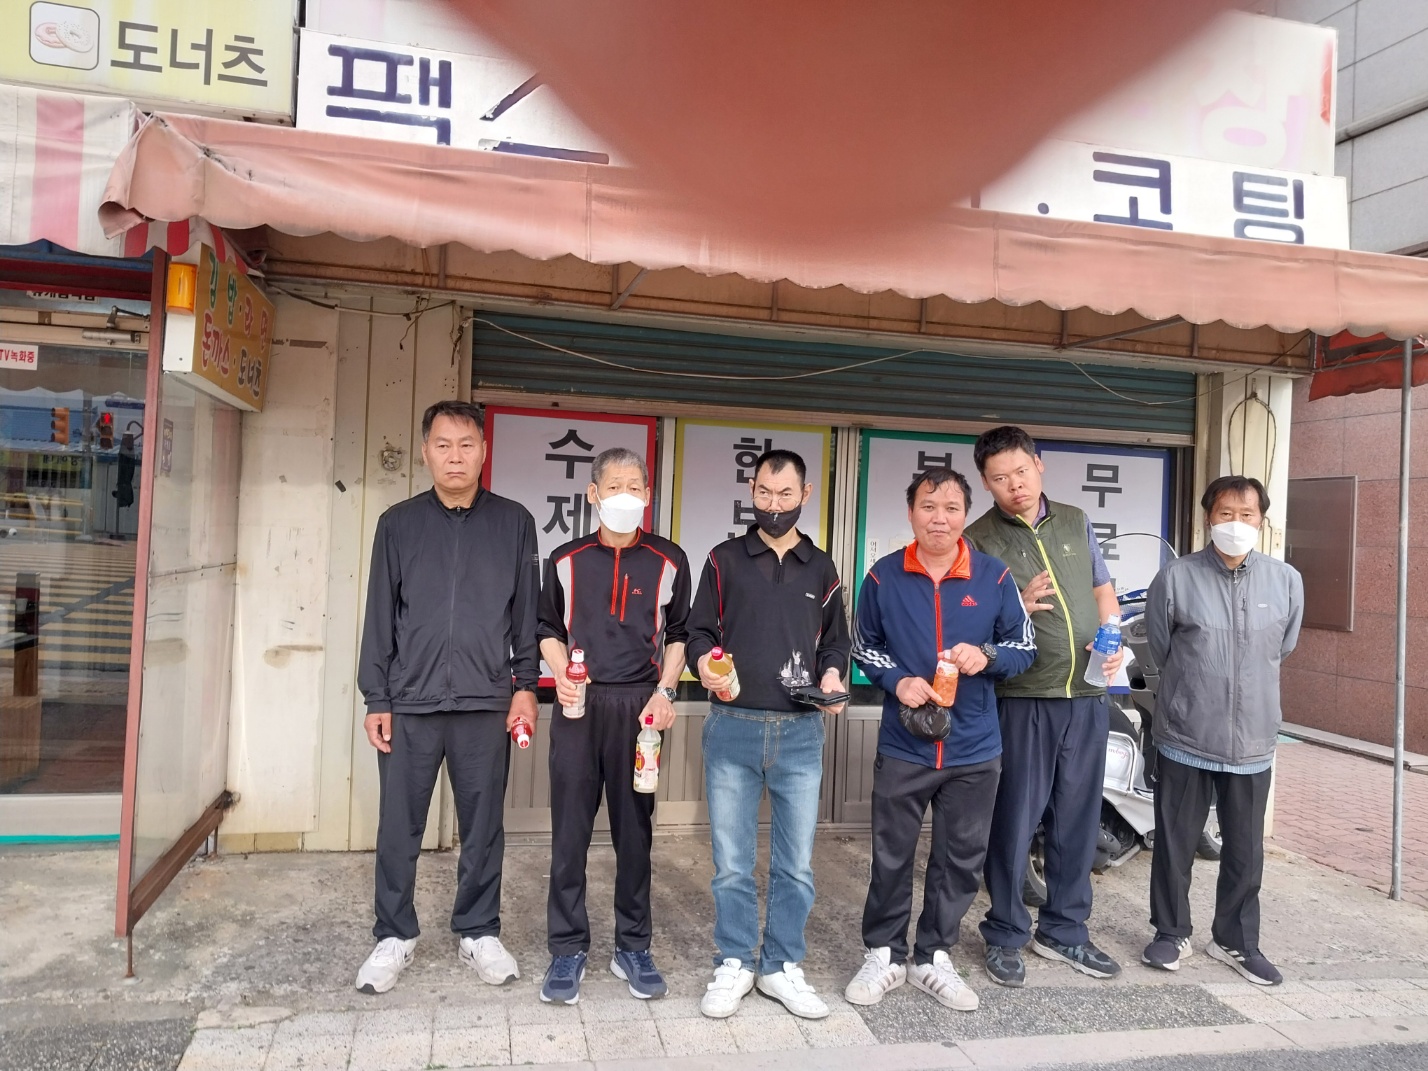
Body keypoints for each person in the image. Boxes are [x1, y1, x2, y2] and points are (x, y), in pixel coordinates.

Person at [354, 400, 540, 995]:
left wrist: (526, 688)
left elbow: (527, 616)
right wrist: (376, 697)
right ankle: (394, 934)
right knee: (398, 825)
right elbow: (379, 617)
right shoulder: (398, 524)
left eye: (465, 444)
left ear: (484, 451)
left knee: (483, 826)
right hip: (410, 700)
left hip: (486, 700)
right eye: (443, 444)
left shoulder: (514, 523)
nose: (454, 456)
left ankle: (479, 930)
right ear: (425, 452)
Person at [846, 467, 1036, 1012]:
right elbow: (864, 646)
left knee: (960, 858)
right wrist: (896, 680)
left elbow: (1024, 647)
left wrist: (987, 656)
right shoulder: (883, 577)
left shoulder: (994, 577)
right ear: (911, 513)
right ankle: (884, 953)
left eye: (952, 508)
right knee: (891, 856)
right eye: (928, 507)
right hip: (904, 744)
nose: (939, 518)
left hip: (974, 748)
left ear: (965, 516)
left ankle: (932, 955)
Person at [685, 449, 850, 1021]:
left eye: (784, 495)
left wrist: (833, 674)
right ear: (751, 491)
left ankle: (780, 965)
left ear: (805, 496)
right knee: (732, 862)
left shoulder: (820, 566)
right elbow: (698, 631)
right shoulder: (724, 559)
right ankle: (734, 960)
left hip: (801, 732)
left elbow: (835, 642)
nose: (773, 505)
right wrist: (704, 663)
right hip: (732, 728)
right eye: (763, 493)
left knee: (795, 865)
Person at [964, 426, 1127, 987]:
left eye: (1021, 472)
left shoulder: (1077, 521)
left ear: (1039, 465)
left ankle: (1065, 930)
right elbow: (968, 623)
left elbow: (1102, 589)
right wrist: (1015, 605)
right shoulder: (978, 539)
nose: (1015, 485)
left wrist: (1111, 634)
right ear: (986, 483)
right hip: (1022, 699)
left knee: (1078, 820)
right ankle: (1006, 931)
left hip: (1086, 695)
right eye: (1000, 478)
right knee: (1015, 821)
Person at [536, 447, 692, 1004]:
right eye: (613, 486)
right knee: (569, 832)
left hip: (639, 709)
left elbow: (680, 634)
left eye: (634, 486)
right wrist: (562, 675)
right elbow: (546, 628)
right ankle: (566, 949)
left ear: (647, 494)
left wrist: (666, 692)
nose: (624, 495)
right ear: (593, 494)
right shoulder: (566, 559)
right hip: (578, 706)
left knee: (635, 833)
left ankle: (633, 946)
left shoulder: (669, 559)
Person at [1141, 475, 1302, 986]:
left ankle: (1235, 939)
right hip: (1186, 733)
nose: (1236, 523)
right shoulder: (1176, 577)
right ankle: (1171, 932)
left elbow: (1283, 646)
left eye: (1246, 514)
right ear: (1208, 517)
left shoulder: (1286, 581)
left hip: (1253, 738)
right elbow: (1161, 649)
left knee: (1245, 850)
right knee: (1175, 843)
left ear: (1262, 521)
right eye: (1226, 513)